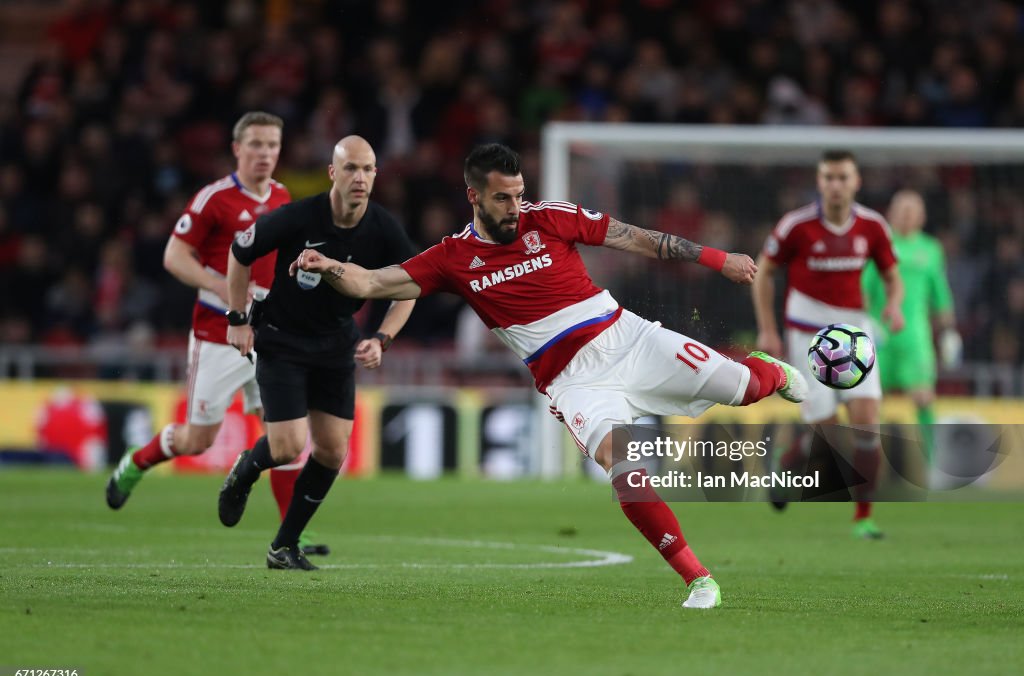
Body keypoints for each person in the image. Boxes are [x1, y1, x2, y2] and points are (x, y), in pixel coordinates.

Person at [290, 142, 810, 610]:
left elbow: (637, 240)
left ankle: (770, 372)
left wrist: (716, 259)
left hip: (628, 338)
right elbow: (375, 282)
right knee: (626, 473)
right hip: (573, 382)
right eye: (502, 199)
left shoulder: (552, 218)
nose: (516, 208)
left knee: (743, 388)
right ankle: (699, 579)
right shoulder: (452, 258)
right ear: (473, 196)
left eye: (519, 195)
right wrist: (328, 265)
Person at [105, 111, 328, 552]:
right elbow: (174, 256)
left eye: (272, 145)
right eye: (257, 145)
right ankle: (136, 462)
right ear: (237, 149)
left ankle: (291, 536)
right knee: (197, 439)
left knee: (284, 434)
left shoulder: (284, 197)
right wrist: (222, 286)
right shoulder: (214, 199)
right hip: (218, 333)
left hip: (270, 335)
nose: (265, 153)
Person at [218, 135, 417, 570]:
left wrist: (381, 338)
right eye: (350, 168)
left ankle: (283, 546)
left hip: (335, 344)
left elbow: (410, 287)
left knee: (331, 451)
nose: (359, 177)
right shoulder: (299, 217)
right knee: (287, 448)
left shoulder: (383, 227)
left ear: (376, 175)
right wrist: (236, 319)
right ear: (333, 173)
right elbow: (240, 251)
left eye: (367, 169)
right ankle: (244, 473)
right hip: (283, 339)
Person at [752, 150, 904, 540]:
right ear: (819, 183)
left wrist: (894, 305)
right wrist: (767, 329)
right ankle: (787, 464)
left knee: (868, 422)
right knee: (826, 432)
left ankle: (863, 518)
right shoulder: (796, 226)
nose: (835, 185)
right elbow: (764, 273)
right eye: (828, 178)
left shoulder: (872, 226)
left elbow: (891, 275)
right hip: (807, 337)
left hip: (855, 335)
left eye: (842, 177)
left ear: (856, 182)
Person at [862, 190, 961, 465]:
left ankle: (932, 464)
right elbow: (863, 290)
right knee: (870, 402)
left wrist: (949, 332)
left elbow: (940, 293)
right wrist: (867, 322)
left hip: (915, 338)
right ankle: (872, 464)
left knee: (923, 397)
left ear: (922, 216)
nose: (906, 215)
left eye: (912, 210)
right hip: (880, 337)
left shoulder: (931, 250)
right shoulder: (879, 245)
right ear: (891, 214)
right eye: (901, 210)